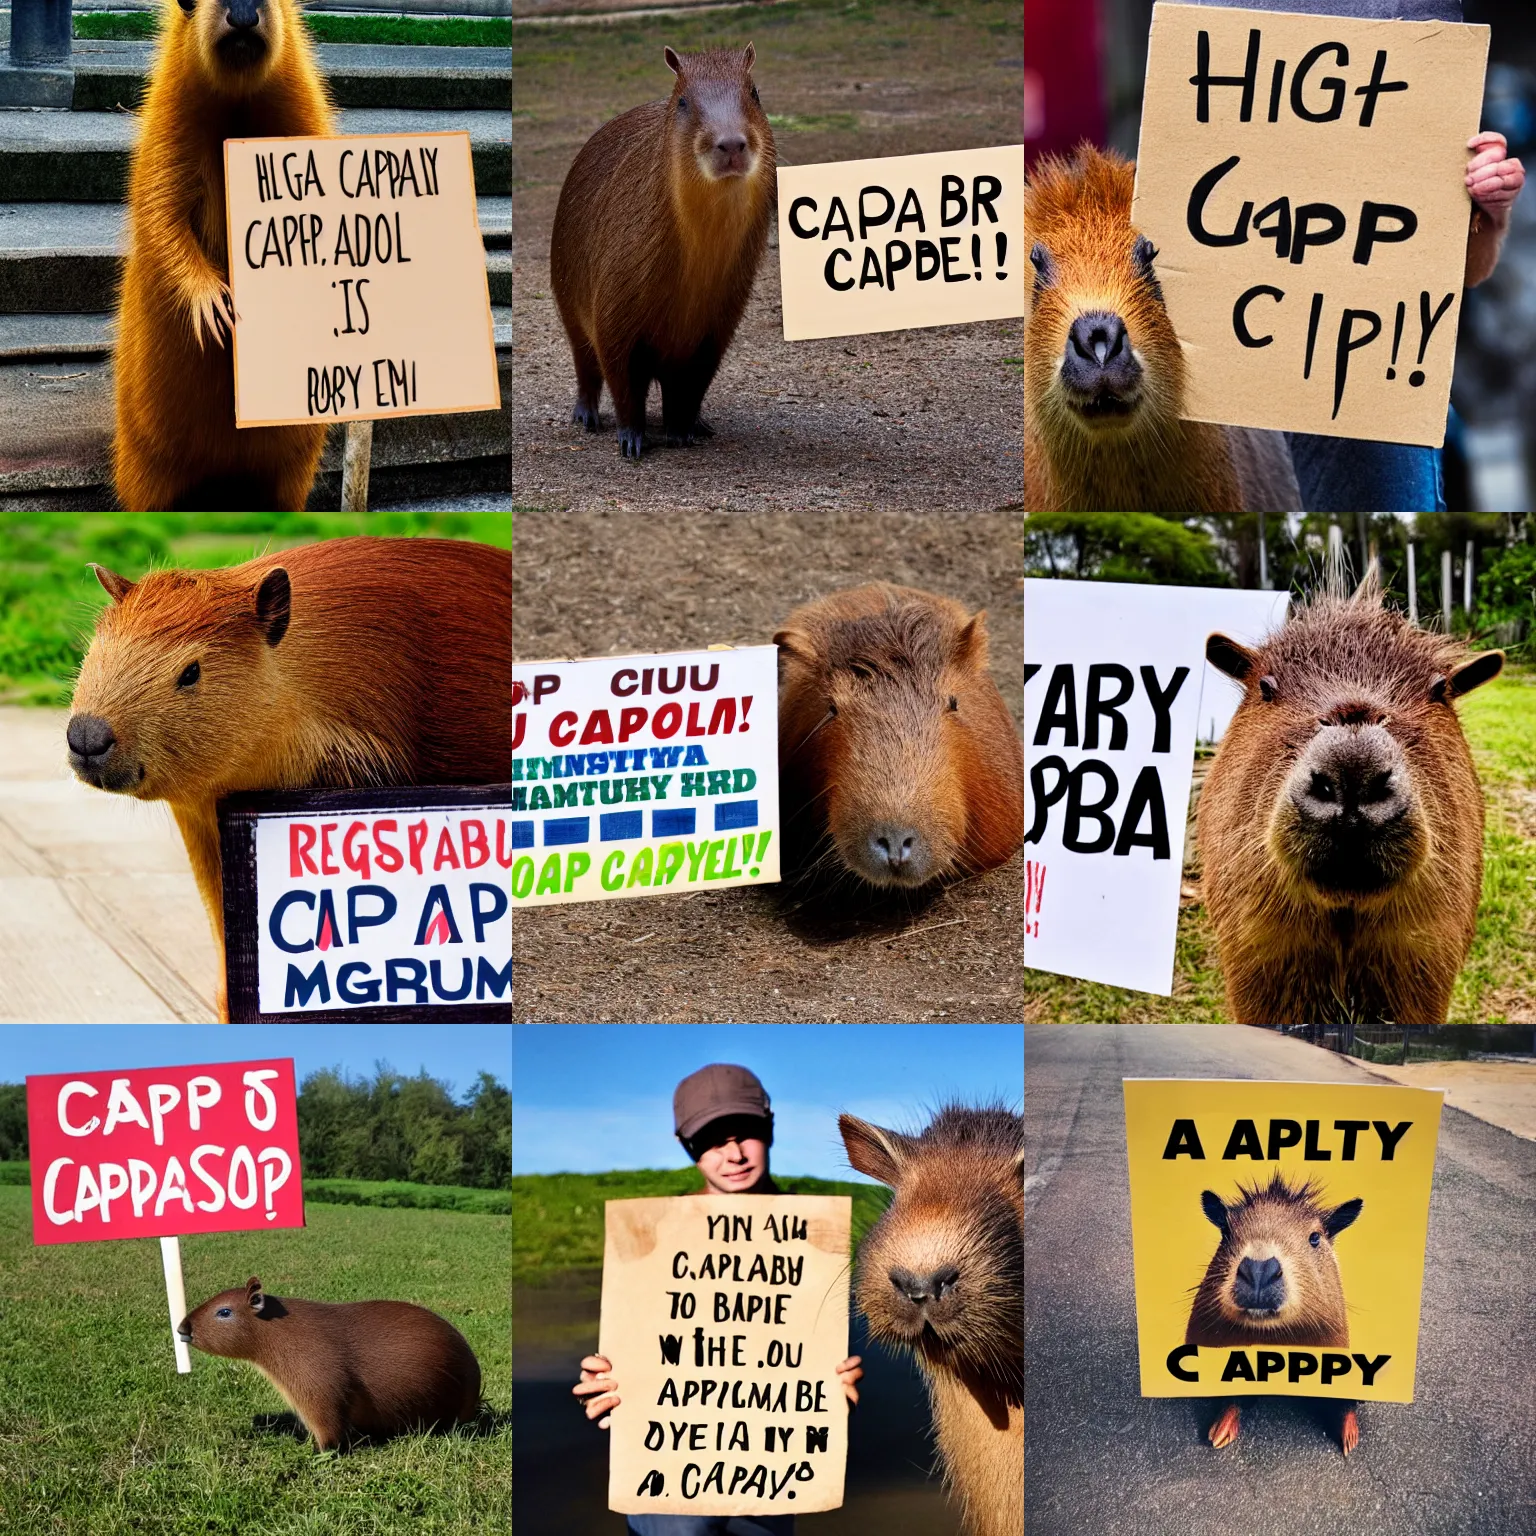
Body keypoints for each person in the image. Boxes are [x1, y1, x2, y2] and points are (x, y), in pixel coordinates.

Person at [1189, 0, 1527, 511]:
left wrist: (1486, 210)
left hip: (1367, 383)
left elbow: (1468, 269)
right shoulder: (1205, 34)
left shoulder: (1413, 25)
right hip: (1220, 373)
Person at [572, 1063, 865, 1536]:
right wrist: (604, 1378)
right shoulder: (655, 1240)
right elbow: (638, 1348)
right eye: (712, 1140)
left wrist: (838, 1384)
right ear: (689, 1148)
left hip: (769, 1480)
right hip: (667, 1476)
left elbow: (813, 1354)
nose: (734, 1154)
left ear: (769, 1131)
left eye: (746, 1132)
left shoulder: (814, 1241)